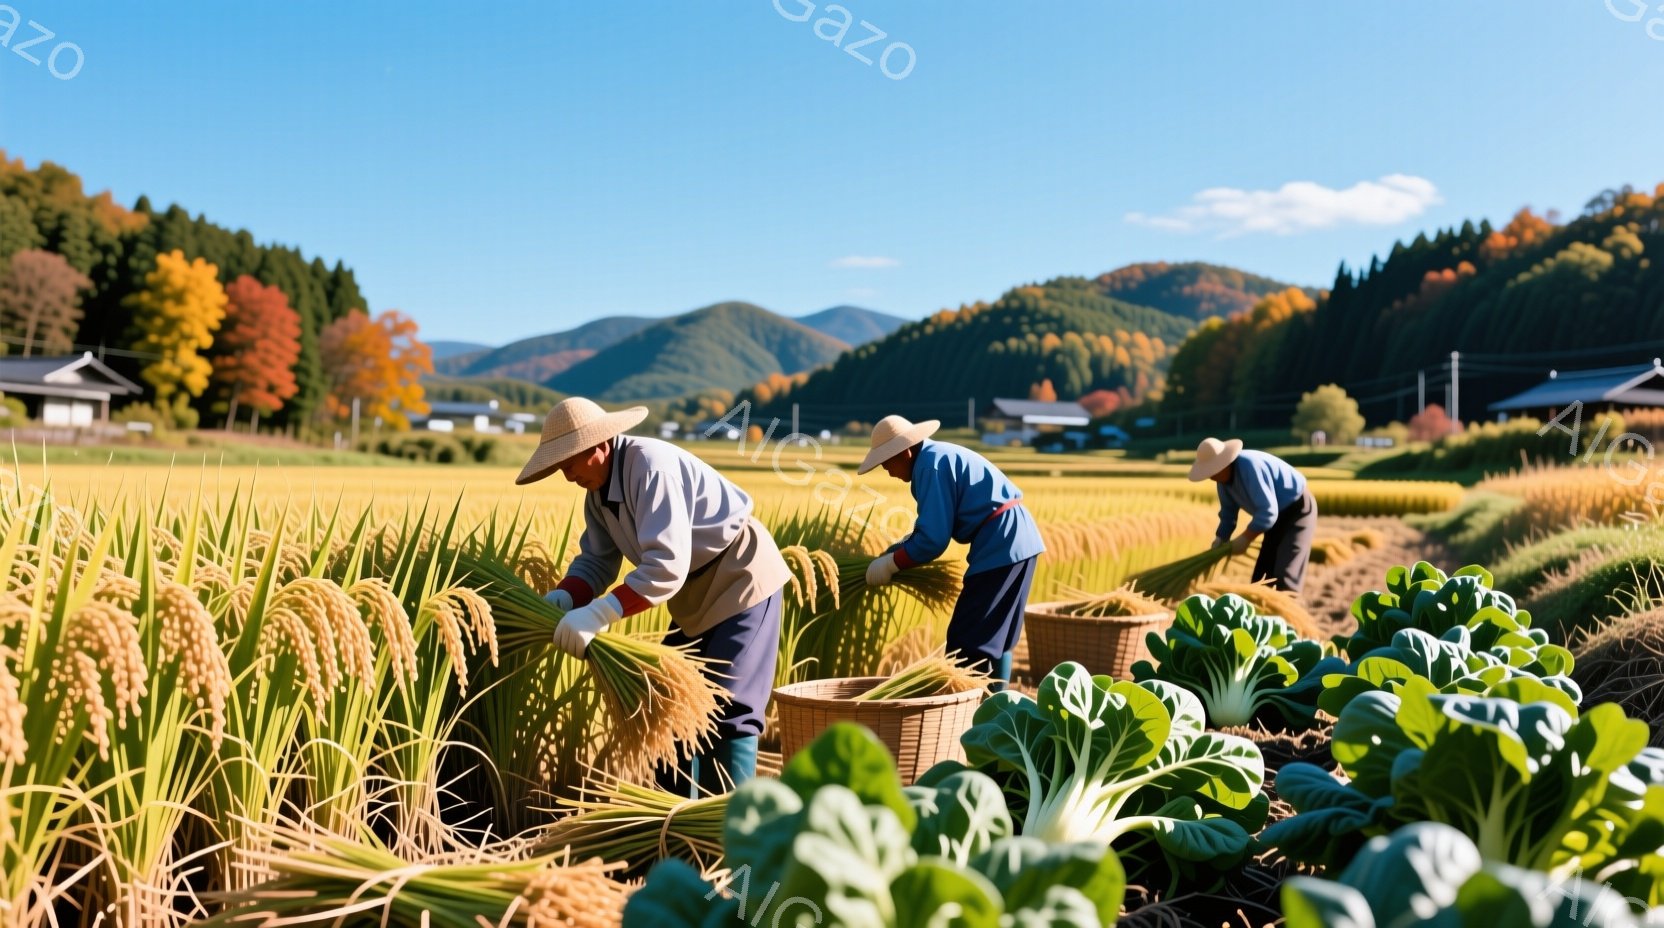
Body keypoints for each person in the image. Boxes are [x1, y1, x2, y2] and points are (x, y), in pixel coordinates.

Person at [515, 397, 790, 795]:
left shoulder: (649, 465)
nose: (567, 474)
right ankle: (674, 824)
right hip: (694, 596)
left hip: (741, 577)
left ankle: (731, 835)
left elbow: (666, 566)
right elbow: (596, 562)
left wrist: (599, 614)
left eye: (569, 462)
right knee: (670, 704)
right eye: (560, 466)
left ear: (599, 446)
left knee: (732, 710)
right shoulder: (598, 496)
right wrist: (565, 597)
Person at [857, 415, 1045, 689]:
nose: (887, 470)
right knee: (998, 637)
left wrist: (891, 564)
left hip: (1001, 543)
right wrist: (899, 549)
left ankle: (971, 716)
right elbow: (931, 529)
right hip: (1021, 539)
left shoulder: (929, 466)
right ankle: (997, 711)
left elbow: (933, 540)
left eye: (887, 462)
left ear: (906, 452)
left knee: (966, 642)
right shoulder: (936, 456)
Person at [1188, 437, 1317, 593]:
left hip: (1297, 509)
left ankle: (1285, 612)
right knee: (1262, 577)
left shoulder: (1249, 466)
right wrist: (1221, 538)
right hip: (1276, 517)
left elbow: (1268, 512)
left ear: (1224, 463)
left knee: (1285, 575)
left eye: (1212, 470)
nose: (1210, 477)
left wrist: (1245, 538)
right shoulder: (1222, 481)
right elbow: (1228, 514)